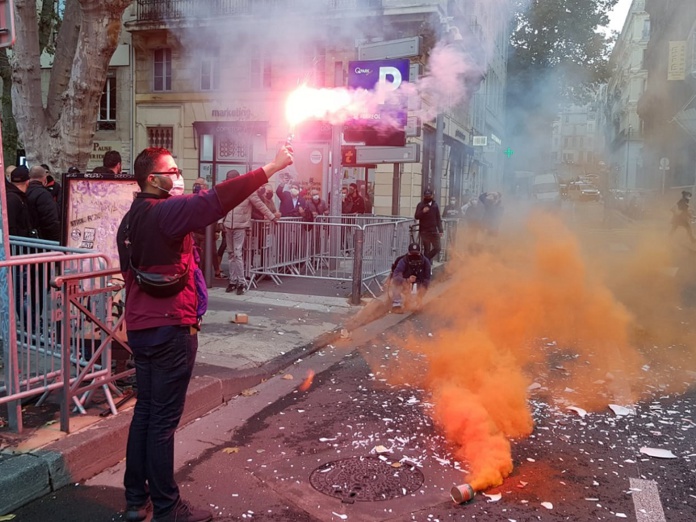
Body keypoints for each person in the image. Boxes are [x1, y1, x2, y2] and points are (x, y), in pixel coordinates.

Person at [116, 145, 293, 522]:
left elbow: (129, 274)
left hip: (142, 329)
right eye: (172, 170)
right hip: (169, 328)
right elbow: (216, 200)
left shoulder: (129, 219)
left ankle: (136, 501)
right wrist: (272, 167)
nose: (177, 176)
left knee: (146, 414)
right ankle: (167, 507)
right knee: (162, 421)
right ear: (153, 178)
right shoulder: (164, 212)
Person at [223, 170, 278, 294]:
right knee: (231, 254)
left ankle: (241, 282)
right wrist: (222, 221)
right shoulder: (228, 190)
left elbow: (260, 205)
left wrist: (272, 217)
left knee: (237, 254)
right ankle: (233, 281)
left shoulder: (248, 191)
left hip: (240, 226)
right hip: (229, 225)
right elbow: (223, 207)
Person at [389, 242, 432, 313]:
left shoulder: (425, 262)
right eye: (412, 254)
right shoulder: (403, 261)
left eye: (416, 254)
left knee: (414, 305)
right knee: (395, 283)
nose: (414, 257)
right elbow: (395, 277)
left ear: (420, 253)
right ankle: (396, 304)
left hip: (418, 285)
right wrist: (407, 280)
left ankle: (413, 301)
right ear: (408, 253)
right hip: (404, 283)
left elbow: (427, 280)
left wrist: (420, 296)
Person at [26, 165, 61, 242]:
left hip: (28, 238)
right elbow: (51, 220)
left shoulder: (24, 191)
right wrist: (56, 240)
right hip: (42, 240)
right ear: (45, 178)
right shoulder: (44, 195)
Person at [414, 189, 443, 261]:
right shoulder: (420, 205)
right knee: (426, 249)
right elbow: (416, 216)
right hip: (424, 231)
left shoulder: (435, 205)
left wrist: (440, 230)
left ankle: (424, 260)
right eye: (426, 196)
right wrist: (423, 211)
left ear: (432, 196)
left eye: (429, 196)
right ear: (424, 196)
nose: (428, 197)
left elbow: (438, 218)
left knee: (438, 248)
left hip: (433, 231)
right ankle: (426, 265)